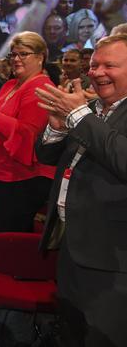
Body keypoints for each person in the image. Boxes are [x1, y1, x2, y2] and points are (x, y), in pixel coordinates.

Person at [35, 34, 127, 347]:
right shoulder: (90, 109)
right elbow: (46, 156)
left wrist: (79, 117)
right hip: (72, 245)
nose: (97, 72)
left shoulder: (86, 113)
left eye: (109, 65)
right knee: (71, 331)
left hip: (112, 261)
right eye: (94, 65)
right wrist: (57, 128)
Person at [0, 31, 56, 232]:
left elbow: (27, 133)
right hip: (1, 169)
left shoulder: (41, 87)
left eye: (23, 54)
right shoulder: (10, 85)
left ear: (40, 57)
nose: (16, 59)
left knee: (8, 231)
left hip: (22, 176)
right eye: (13, 55)